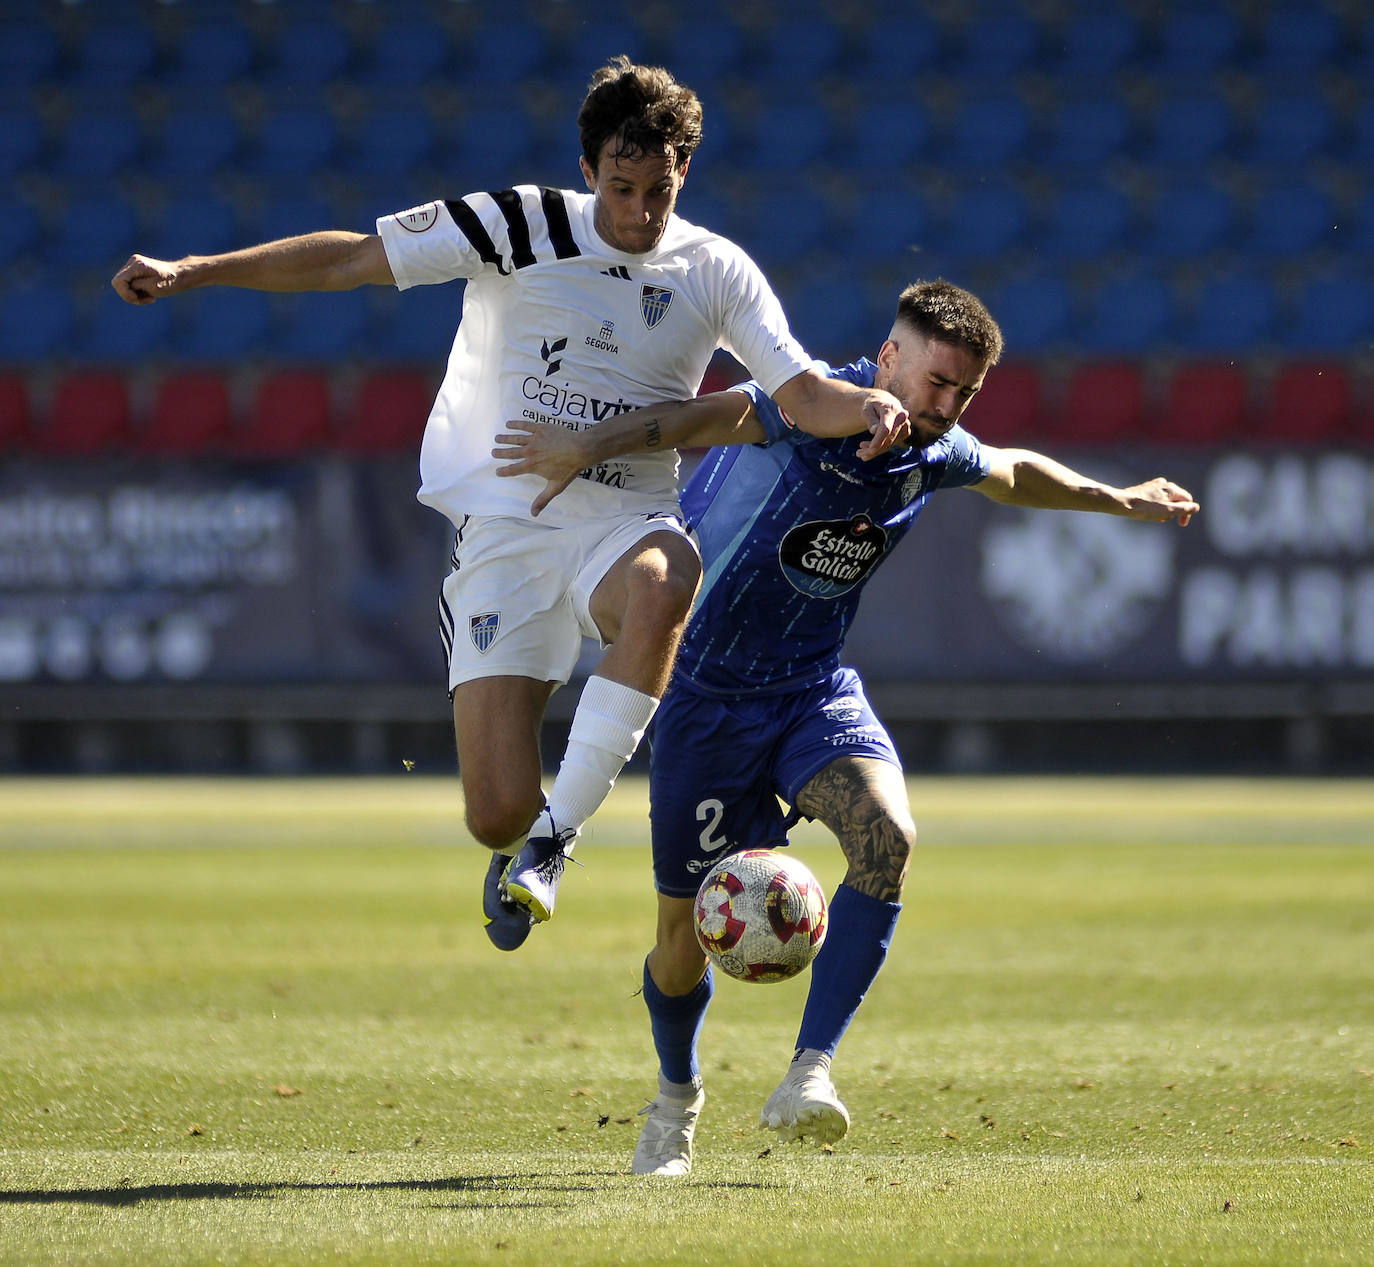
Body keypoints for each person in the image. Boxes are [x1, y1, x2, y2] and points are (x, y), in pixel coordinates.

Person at [110, 57, 907, 952]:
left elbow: (799, 393)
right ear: (586, 172)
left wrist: (870, 405)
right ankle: (522, 837)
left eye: (660, 189)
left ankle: (555, 843)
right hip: (509, 525)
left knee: (665, 576)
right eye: (622, 187)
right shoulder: (517, 223)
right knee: (494, 811)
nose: (641, 212)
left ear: (685, 173)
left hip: (624, 516)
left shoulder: (714, 268)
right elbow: (351, 261)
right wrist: (195, 270)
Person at [492, 278, 1200, 1176]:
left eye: (966, 392)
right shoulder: (807, 404)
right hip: (704, 700)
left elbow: (1013, 470)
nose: (948, 406)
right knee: (679, 946)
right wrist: (583, 445)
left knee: (887, 835)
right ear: (892, 356)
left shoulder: (927, 450)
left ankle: (809, 1072)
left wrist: (1120, 498)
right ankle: (676, 1101)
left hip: (811, 692)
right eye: (938, 382)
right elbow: (692, 421)